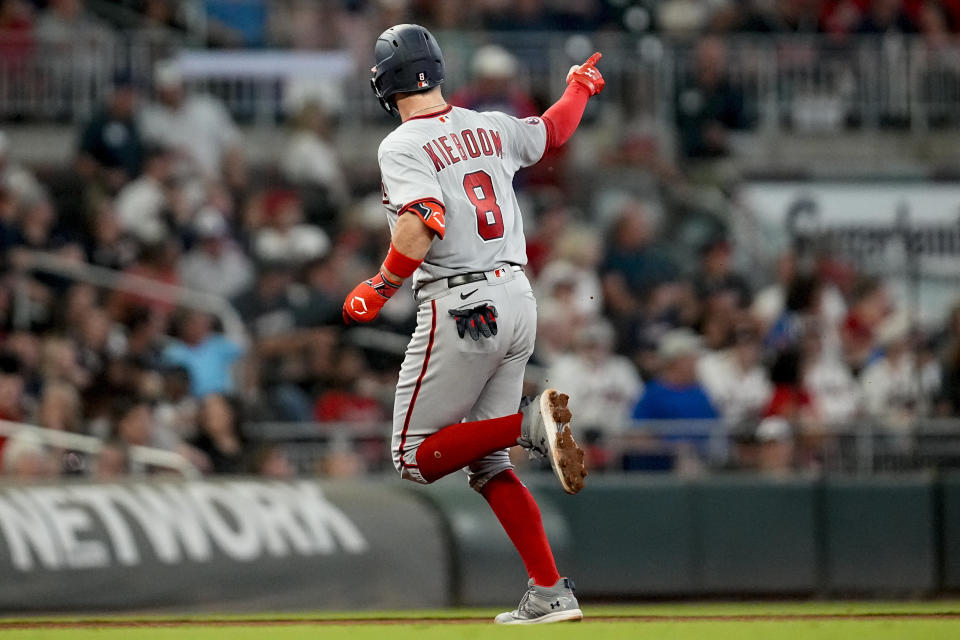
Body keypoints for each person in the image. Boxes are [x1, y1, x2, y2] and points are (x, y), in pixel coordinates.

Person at [341, 24, 603, 625]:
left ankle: (527, 423)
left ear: (383, 84)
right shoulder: (488, 124)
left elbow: (424, 219)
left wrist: (380, 284)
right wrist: (581, 86)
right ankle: (550, 590)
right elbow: (555, 129)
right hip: (517, 295)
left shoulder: (401, 145)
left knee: (412, 455)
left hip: (462, 302)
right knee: (488, 465)